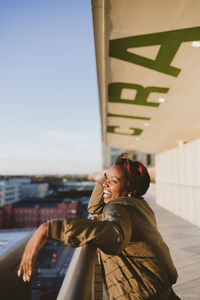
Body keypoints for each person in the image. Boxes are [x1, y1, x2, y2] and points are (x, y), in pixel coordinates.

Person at [18, 153, 180, 299]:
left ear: (130, 189)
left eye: (113, 181)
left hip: (142, 292)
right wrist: (110, 176)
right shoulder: (138, 204)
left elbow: (115, 235)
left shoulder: (120, 207)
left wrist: (50, 229)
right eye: (105, 179)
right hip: (158, 287)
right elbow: (94, 208)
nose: (105, 184)